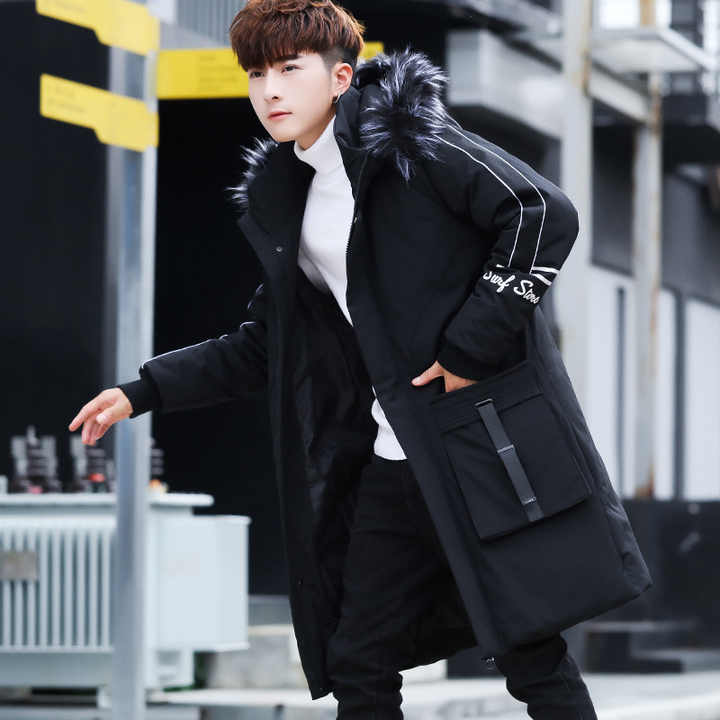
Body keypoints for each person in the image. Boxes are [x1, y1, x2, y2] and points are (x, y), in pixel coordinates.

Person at [70, 1, 654, 717]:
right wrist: (143, 390)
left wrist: (470, 346)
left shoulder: (413, 143)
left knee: (527, 647)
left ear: (341, 77)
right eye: (256, 74)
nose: (270, 91)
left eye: (290, 69)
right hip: (392, 456)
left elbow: (542, 212)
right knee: (358, 657)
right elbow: (268, 341)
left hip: (474, 444)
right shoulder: (290, 196)